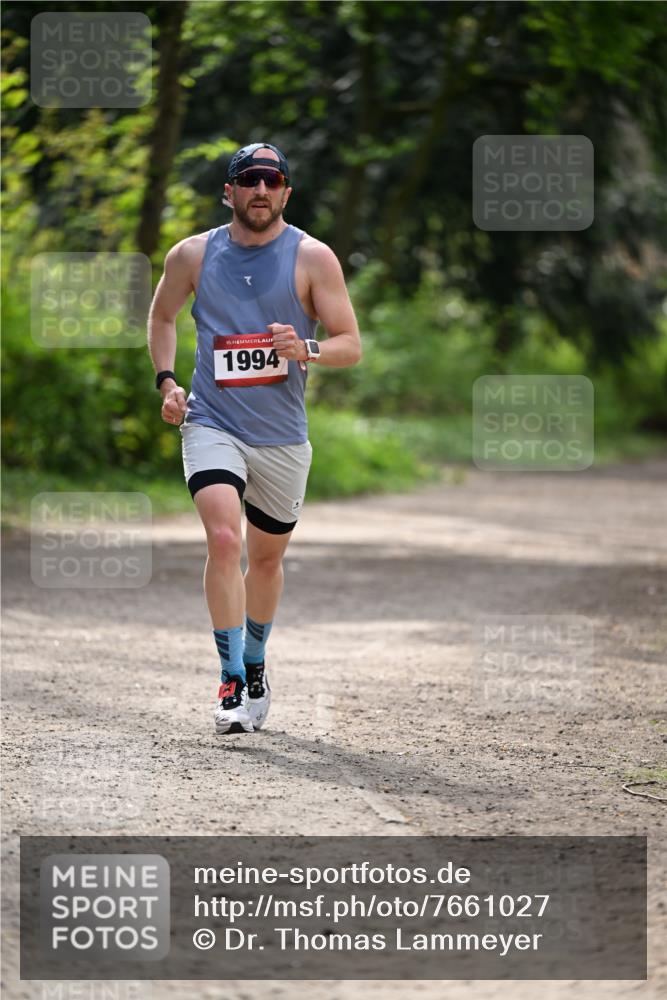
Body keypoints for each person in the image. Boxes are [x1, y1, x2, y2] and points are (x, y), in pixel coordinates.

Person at [147, 142, 362, 735]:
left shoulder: (313, 258)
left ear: (286, 192)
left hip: (282, 438)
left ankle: (256, 661)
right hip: (212, 420)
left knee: (265, 561)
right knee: (223, 538)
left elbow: (350, 342)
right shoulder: (192, 254)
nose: (261, 190)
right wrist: (167, 382)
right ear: (230, 191)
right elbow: (162, 316)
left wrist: (306, 348)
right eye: (249, 180)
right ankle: (230, 679)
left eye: (272, 180)